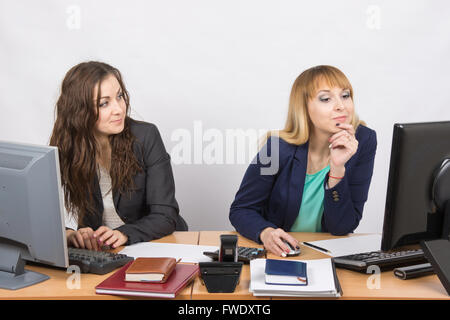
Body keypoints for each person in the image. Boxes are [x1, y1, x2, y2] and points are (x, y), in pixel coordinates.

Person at [229, 65, 377, 257]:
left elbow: (343, 227)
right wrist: (266, 233)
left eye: (345, 95)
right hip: (281, 253)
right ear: (304, 108)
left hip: (328, 254)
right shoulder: (277, 148)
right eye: (326, 98)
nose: (341, 105)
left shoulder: (363, 141)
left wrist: (337, 169)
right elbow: (241, 209)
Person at [50, 61, 187, 251]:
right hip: (105, 251)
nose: (119, 109)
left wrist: (124, 233)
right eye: (104, 103)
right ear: (79, 111)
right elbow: (41, 212)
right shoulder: (68, 146)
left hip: (153, 244)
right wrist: (71, 234)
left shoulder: (146, 136)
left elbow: (165, 215)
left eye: (120, 96)